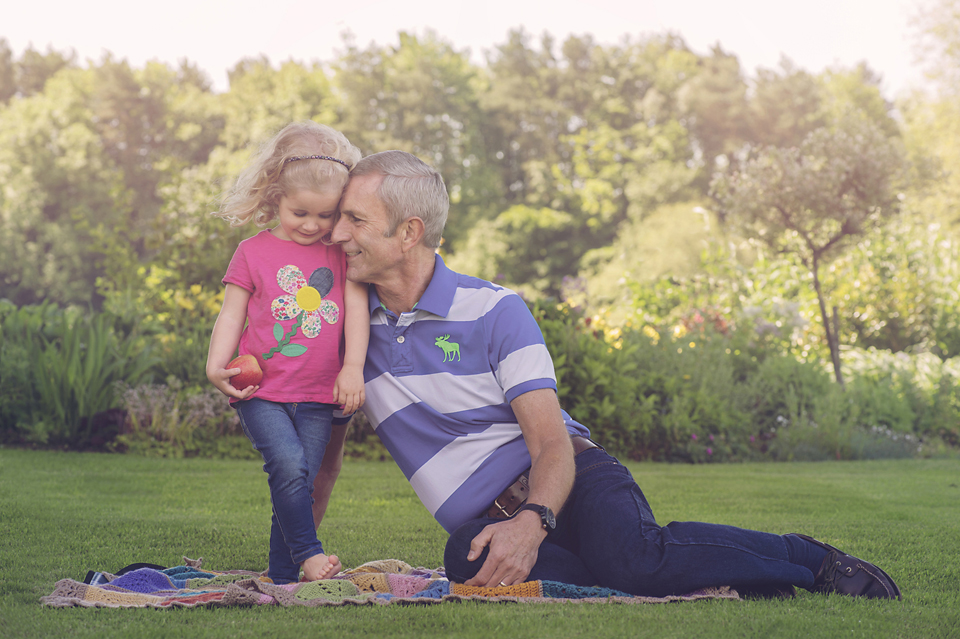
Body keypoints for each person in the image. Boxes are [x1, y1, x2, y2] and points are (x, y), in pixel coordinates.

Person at [320, 149, 901, 600]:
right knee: (465, 559)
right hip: (486, 518)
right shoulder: (351, 334)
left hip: (569, 479)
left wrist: (533, 520)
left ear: (409, 233)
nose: (336, 233)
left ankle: (811, 560)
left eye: (354, 219)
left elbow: (549, 441)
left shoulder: (496, 310)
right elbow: (317, 440)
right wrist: (297, 547)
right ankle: (727, 577)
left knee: (632, 560)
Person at [206, 121, 368, 584]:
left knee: (298, 482)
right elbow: (231, 314)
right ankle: (310, 553)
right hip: (261, 389)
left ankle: (281, 579)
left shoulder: (339, 254)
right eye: (301, 213)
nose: (314, 226)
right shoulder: (252, 252)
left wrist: (353, 367)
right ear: (275, 195)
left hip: (319, 393)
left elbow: (355, 311)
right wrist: (214, 365)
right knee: (287, 465)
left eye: (326, 216)